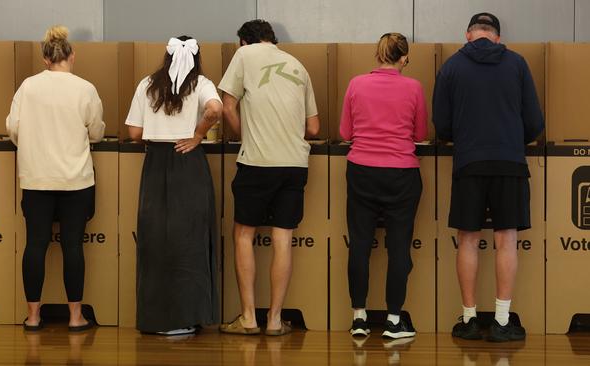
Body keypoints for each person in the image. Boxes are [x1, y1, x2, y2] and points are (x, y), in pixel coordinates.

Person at [433, 13, 544, 342]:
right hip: (509, 161)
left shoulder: (452, 67)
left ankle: (468, 320)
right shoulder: (518, 64)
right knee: (505, 238)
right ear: (497, 36)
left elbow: (442, 124)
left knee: (467, 238)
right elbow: (535, 121)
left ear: (468, 34)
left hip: (468, 162)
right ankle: (501, 320)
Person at [218, 19, 320, 336]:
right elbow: (314, 128)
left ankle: (249, 318)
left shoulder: (245, 56)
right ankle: (275, 321)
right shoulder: (298, 65)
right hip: (294, 164)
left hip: (258, 161)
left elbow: (227, 104)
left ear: (244, 42)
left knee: (244, 235)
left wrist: (243, 134)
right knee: (283, 239)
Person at [6, 25, 104, 332]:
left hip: (36, 180)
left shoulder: (28, 87)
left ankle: (33, 317)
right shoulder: (85, 88)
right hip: (75, 181)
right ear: (72, 55)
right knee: (73, 248)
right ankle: (76, 317)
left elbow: (13, 129)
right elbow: (97, 132)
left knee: (35, 245)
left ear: (45, 58)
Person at [125, 36, 222, 336]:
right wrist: (197, 135)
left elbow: (133, 132)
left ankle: (156, 319)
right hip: (188, 161)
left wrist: (157, 133)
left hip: (155, 164)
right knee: (189, 239)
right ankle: (186, 317)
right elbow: (216, 110)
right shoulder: (202, 83)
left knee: (155, 240)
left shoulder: (147, 85)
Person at [340, 33, 427, 339]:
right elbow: (419, 133)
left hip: (361, 169)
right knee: (399, 246)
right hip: (402, 173)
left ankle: (359, 317)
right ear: (404, 58)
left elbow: (345, 131)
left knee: (360, 244)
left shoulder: (356, 84)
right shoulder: (413, 87)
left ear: (378, 55)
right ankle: (393, 320)